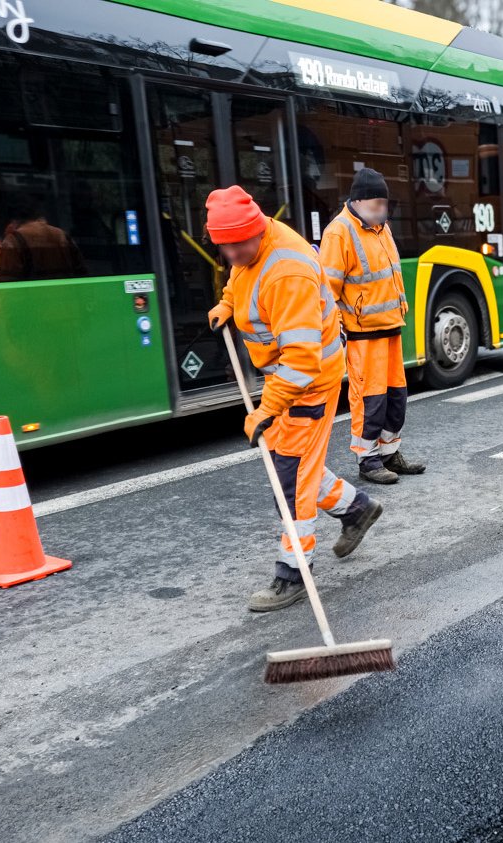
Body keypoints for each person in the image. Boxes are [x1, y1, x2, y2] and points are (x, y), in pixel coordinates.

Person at [204, 186, 384, 612]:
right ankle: (356, 509)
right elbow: (241, 276)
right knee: (298, 466)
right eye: (223, 247)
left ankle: (293, 573)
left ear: (257, 231)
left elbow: (302, 359)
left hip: (309, 381)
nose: (231, 254)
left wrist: (268, 408)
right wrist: (228, 303)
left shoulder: (288, 271)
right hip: (286, 378)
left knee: (290, 478)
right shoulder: (251, 249)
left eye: (237, 245)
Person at [319, 168, 426, 485]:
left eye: (385, 204)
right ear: (359, 200)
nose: (383, 209)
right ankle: (368, 461)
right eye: (378, 203)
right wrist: (337, 333)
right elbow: (328, 292)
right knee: (370, 401)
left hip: (390, 328)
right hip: (364, 335)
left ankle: (390, 453)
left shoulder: (381, 227)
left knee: (396, 398)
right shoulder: (339, 233)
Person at [0, 194, 86, 281]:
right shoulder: (62, 234)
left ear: (13, 220)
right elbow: (81, 271)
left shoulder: (14, 239)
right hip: (66, 296)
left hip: (32, 298)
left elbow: (9, 281)